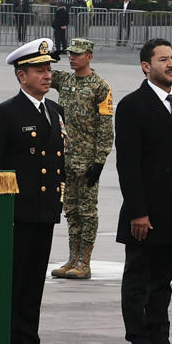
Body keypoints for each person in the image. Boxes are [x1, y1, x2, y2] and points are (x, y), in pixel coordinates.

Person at [117, 38, 172, 344]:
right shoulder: (132, 105)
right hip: (146, 212)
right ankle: (138, 341)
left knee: (163, 280)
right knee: (138, 278)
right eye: (163, 59)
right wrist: (138, 211)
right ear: (145, 66)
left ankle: (160, 339)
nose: (171, 64)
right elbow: (129, 164)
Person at [0, 39, 65, 344]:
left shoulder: (54, 110)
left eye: (48, 69)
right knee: (14, 282)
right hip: (16, 212)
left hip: (44, 210)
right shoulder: (7, 113)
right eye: (39, 70)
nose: (47, 75)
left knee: (34, 282)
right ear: (22, 76)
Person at [50, 39, 113, 281]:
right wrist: (51, 56)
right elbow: (37, 73)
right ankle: (72, 258)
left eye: (77, 54)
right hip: (66, 158)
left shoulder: (100, 87)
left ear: (89, 56)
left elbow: (106, 127)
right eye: (69, 54)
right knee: (71, 211)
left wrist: (99, 161)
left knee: (87, 212)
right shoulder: (65, 81)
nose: (72, 58)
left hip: (87, 161)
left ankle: (84, 261)